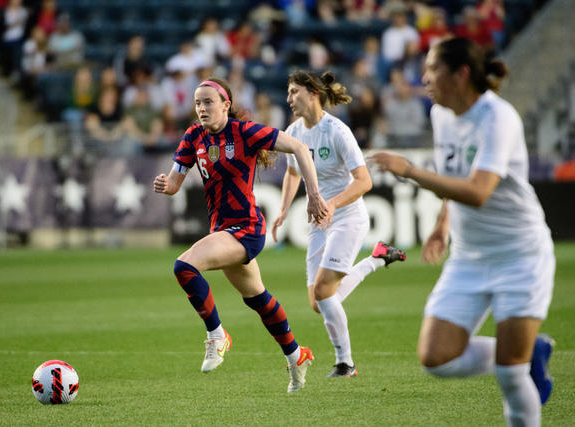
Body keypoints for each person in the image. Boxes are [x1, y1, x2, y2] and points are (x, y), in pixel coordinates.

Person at [369, 37, 555, 426]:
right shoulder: (441, 115)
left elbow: (479, 191)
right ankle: (528, 350)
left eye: (432, 69)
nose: (424, 78)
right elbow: (455, 179)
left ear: (461, 74)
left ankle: (519, 360)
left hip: (520, 255)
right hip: (469, 256)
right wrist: (441, 225)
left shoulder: (497, 118)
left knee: (509, 374)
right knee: (436, 359)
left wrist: (411, 170)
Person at [153, 78, 330, 393]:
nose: (202, 108)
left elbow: (300, 147)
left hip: (247, 228)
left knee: (184, 266)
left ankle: (217, 335)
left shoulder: (244, 132)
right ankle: (296, 355)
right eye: (197, 103)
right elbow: (175, 184)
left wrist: (314, 194)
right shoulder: (193, 136)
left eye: (208, 102)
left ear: (225, 104)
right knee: (258, 299)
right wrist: (165, 185)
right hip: (223, 231)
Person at [272, 70, 406, 378]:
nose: (289, 98)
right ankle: (377, 259)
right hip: (320, 221)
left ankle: (345, 363)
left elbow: (364, 181)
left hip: (347, 217)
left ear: (313, 93)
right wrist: (282, 210)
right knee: (318, 302)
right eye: (288, 93)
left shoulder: (337, 131)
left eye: (295, 92)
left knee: (323, 289)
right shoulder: (293, 132)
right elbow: (293, 173)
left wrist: (331, 203)